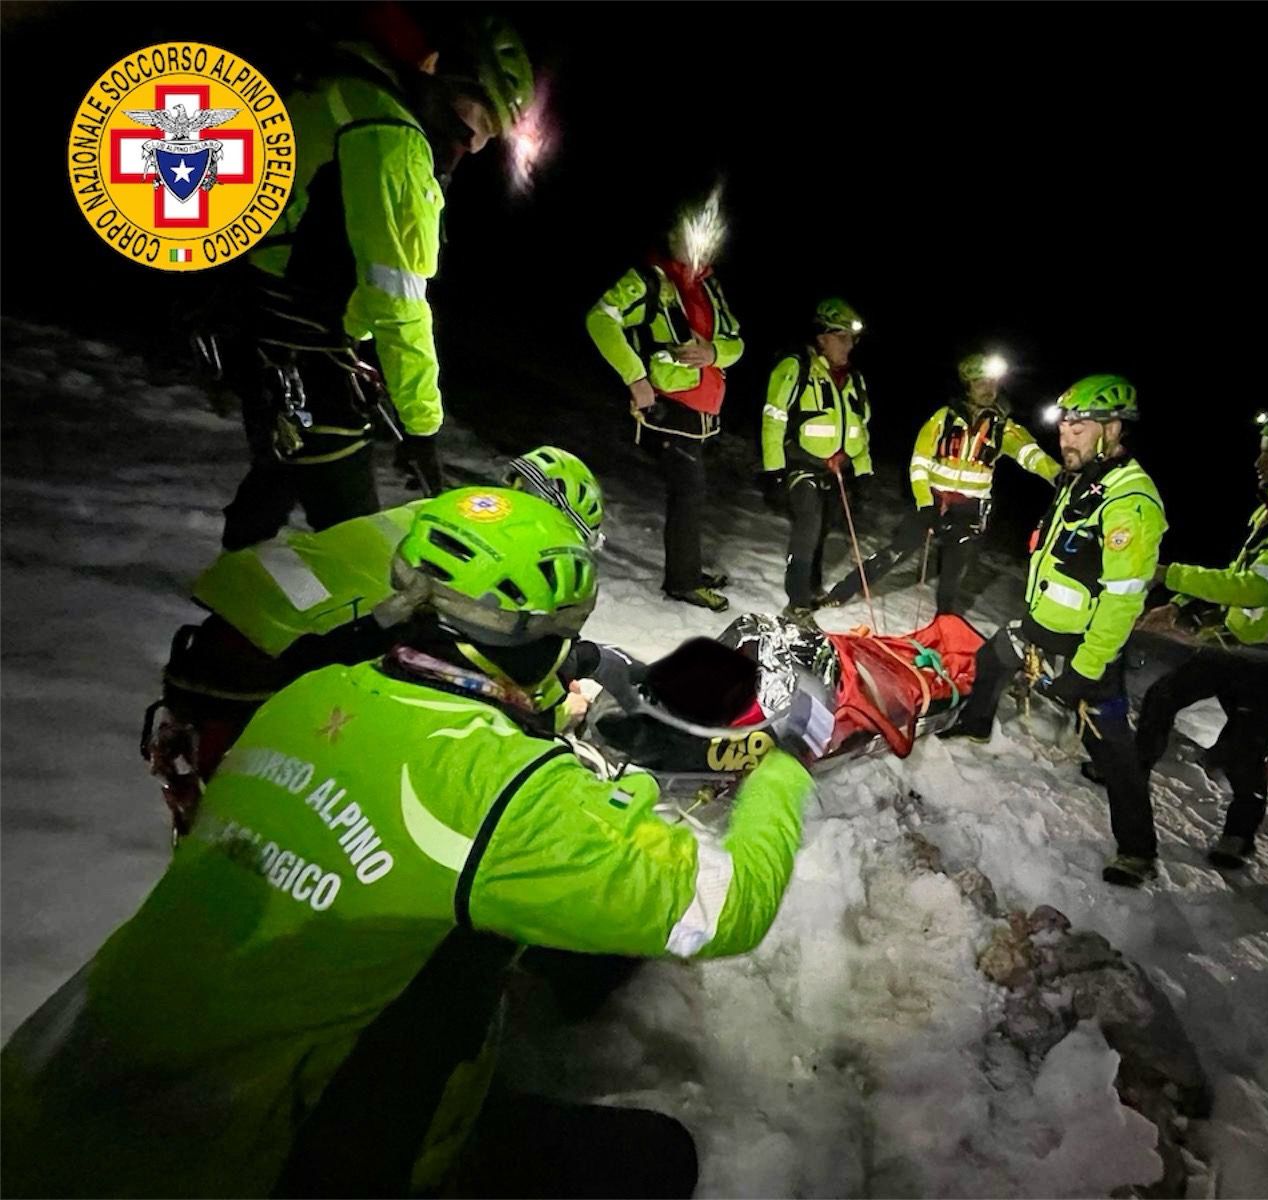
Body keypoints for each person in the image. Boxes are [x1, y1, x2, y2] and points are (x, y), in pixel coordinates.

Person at [2, 486, 815, 1198]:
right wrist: (783, 768)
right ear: (536, 636)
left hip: (55, 1101)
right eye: (566, 630)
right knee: (658, 1160)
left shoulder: (313, 694)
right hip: (239, 1160)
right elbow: (727, 907)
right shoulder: (494, 790)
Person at [147, 447, 617, 833]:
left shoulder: (449, 518)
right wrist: (560, 710)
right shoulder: (478, 569)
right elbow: (477, 674)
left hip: (232, 629)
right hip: (267, 673)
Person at [219, 12, 537, 549]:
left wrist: (358, 345)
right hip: (298, 334)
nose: (478, 145)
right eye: (481, 121)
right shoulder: (391, 134)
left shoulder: (345, 85)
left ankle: (233, 589)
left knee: (286, 459)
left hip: (258, 311)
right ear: (439, 76)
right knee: (354, 533)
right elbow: (398, 298)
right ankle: (348, 628)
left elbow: (344, 259)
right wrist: (422, 428)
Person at [939, 376, 1168, 887]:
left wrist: (1085, 672)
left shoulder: (1131, 501)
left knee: (1112, 749)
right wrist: (1010, 433)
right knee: (993, 657)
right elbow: (1039, 462)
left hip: (1085, 649)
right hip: (1042, 627)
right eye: (1064, 424)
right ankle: (977, 723)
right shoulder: (1080, 478)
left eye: (1080, 426)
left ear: (1113, 429)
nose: (1067, 437)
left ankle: (1137, 850)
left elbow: (1123, 600)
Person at [1135, 406, 1268, 869]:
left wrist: (1168, 575)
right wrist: (1182, 609)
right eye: (1262, 450)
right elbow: (1240, 577)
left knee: (1244, 750)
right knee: (1162, 696)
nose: (1260, 461)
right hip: (1237, 641)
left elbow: (1259, 586)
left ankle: (1239, 834)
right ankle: (1131, 774)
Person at [585, 189, 744, 612]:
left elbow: (737, 342)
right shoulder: (650, 278)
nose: (693, 244)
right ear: (672, 234)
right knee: (688, 491)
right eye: (684, 233)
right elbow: (600, 319)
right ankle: (683, 581)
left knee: (693, 492)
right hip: (669, 409)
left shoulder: (710, 286)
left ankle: (687, 569)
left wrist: (714, 352)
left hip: (702, 412)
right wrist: (636, 379)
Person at [823, 351, 1057, 616]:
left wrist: (1059, 475)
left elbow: (1031, 455)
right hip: (932, 500)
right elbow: (920, 461)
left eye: (992, 383)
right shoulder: (943, 418)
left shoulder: (1003, 427)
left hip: (970, 509)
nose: (989, 389)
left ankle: (944, 624)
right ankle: (841, 592)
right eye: (981, 383)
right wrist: (924, 500)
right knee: (896, 552)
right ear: (968, 385)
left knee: (954, 570)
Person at [760, 297, 872, 622]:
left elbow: (859, 429)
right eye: (842, 337)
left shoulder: (854, 380)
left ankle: (811, 584)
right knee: (808, 524)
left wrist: (863, 472)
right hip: (800, 462)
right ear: (822, 337)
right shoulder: (796, 367)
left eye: (851, 339)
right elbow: (773, 419)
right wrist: (773, 471)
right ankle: (797, 599)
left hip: (837, 470)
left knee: (823, 527)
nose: (848, 345)